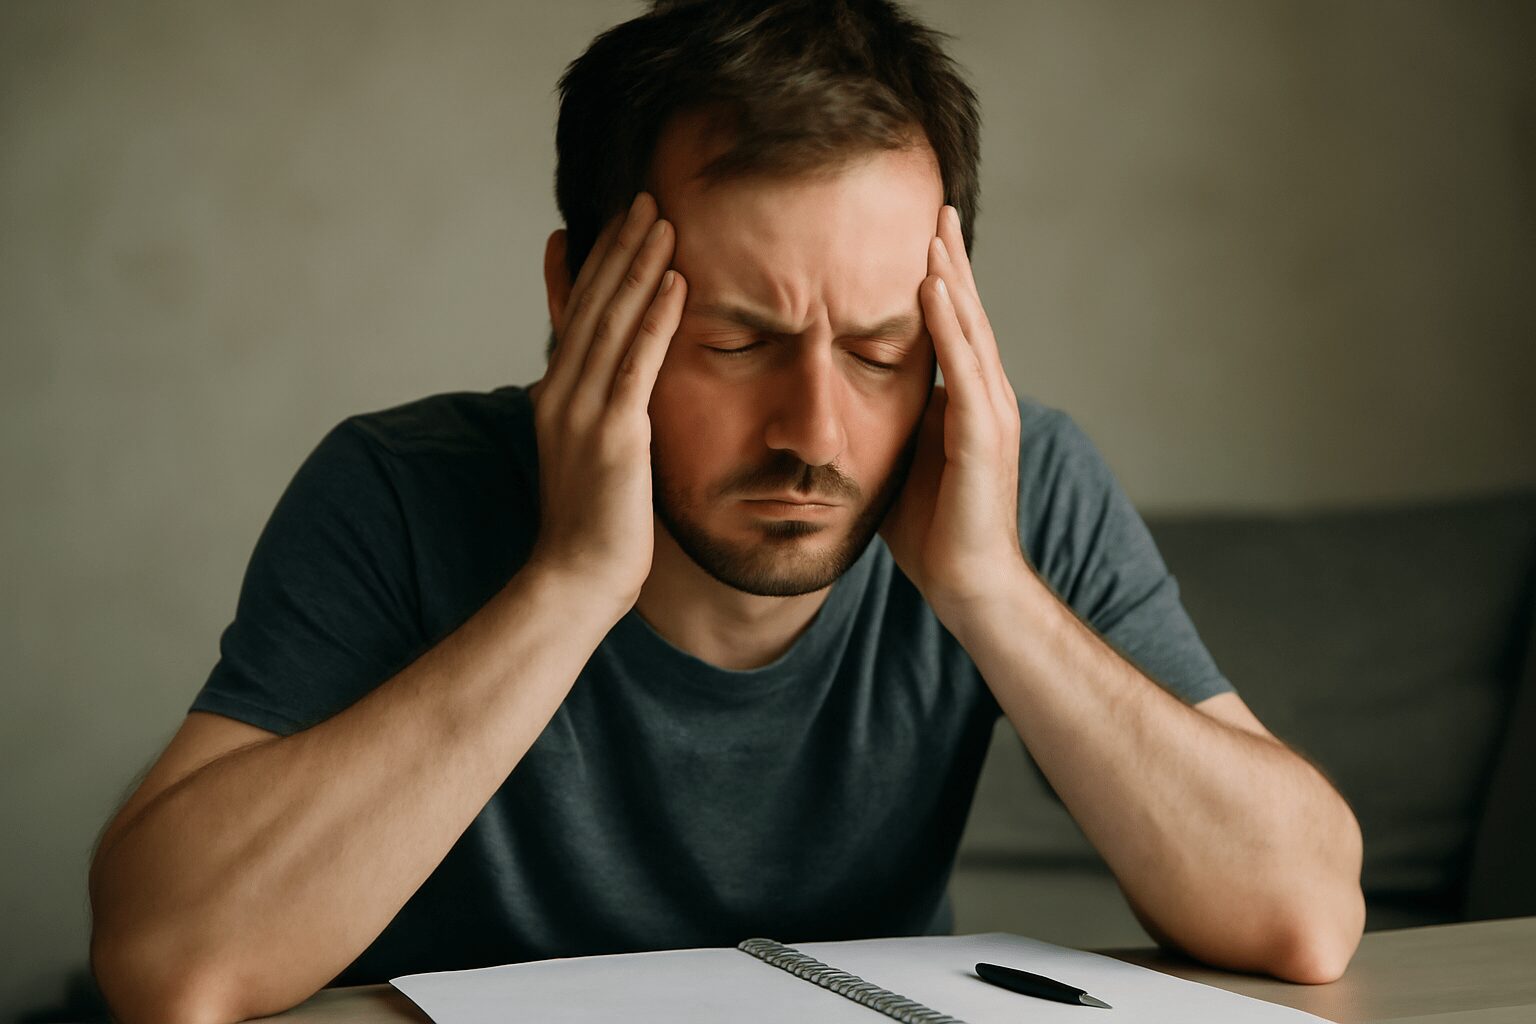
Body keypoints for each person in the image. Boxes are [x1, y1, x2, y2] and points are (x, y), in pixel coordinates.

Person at [86, 1, 1365, 1021]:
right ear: (577, 291)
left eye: (877, 350)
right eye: (738, 340)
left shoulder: (1007, 486)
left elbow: (1302, 916)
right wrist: (572, 582)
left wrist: (988, 590)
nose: (816, 434)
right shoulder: (400, 489)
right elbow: (169, 964)